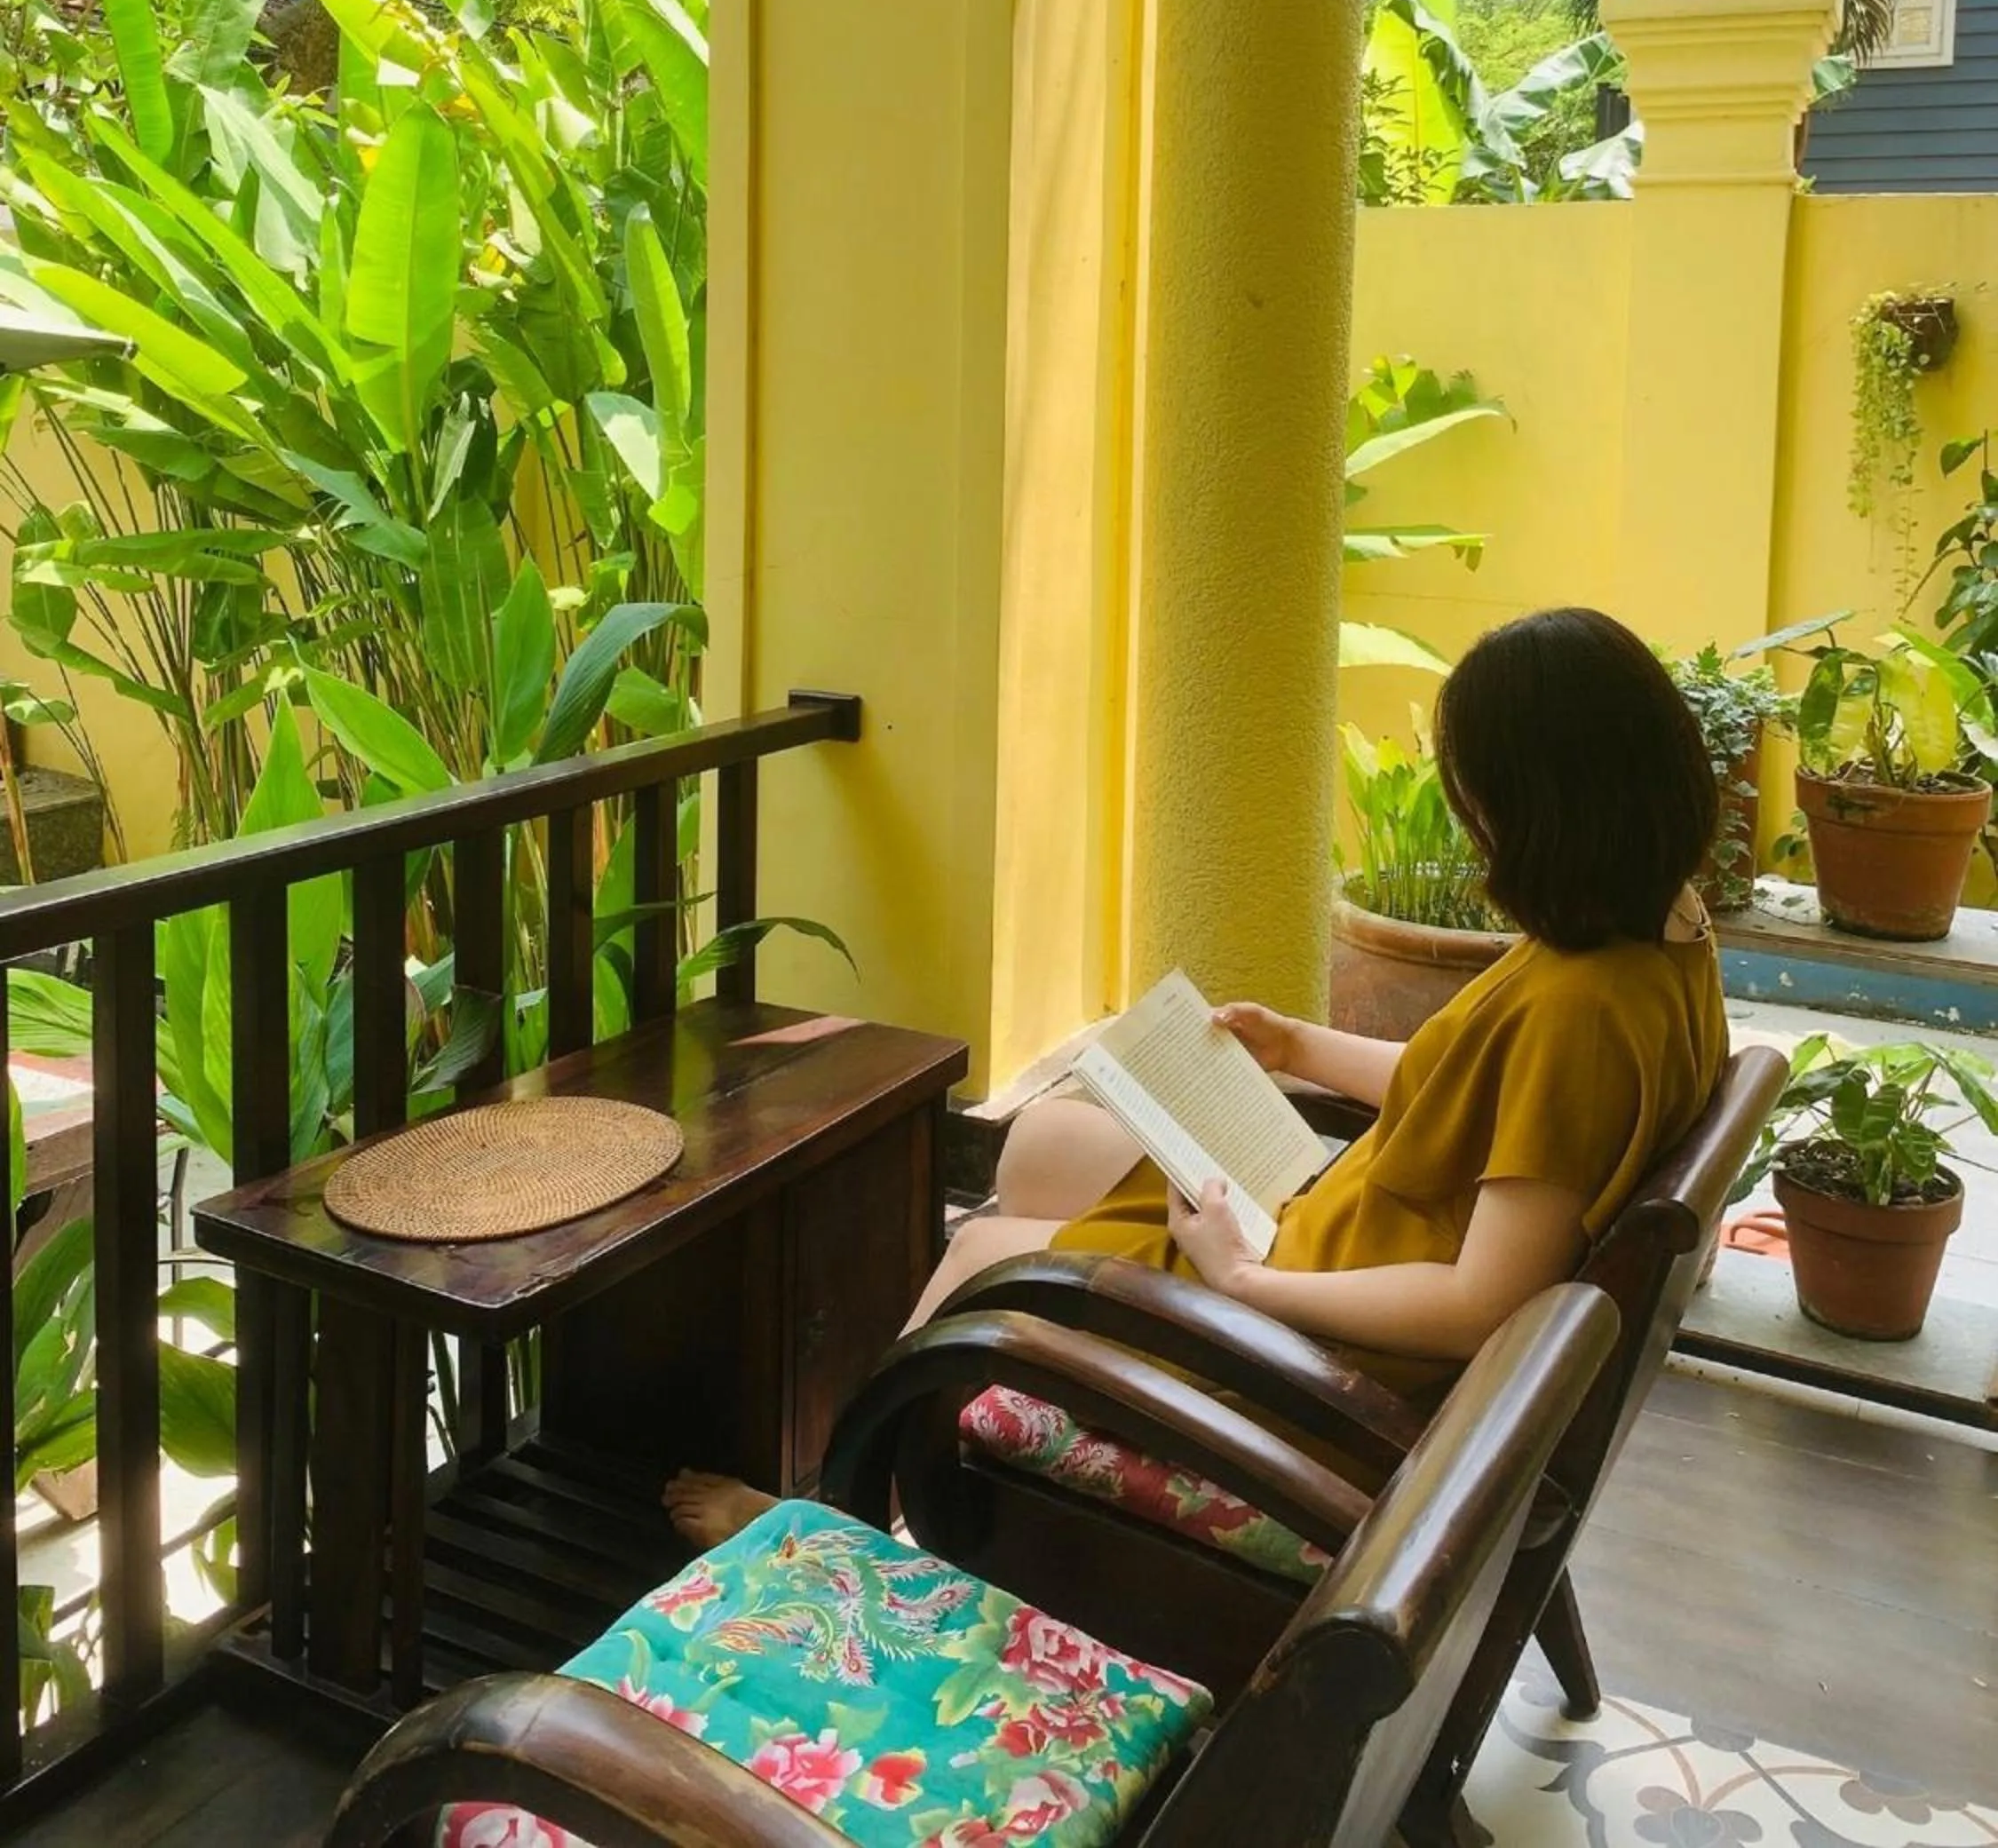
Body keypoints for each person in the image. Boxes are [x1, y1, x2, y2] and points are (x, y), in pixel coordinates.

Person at [666, 606, 1728, 1550]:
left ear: (1544, 811)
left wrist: (1242, 1281)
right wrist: (1299, 1047)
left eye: (1479, 799)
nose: (1472, 825)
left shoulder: (1582, 1011)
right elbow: (1498, 1097)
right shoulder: (1657, 934)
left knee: (992, 1252)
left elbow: (1479, 1300)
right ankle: (890, 1500)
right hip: (1346, 1225)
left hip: (1318, 1349)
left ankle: (842, 1528)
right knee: (1039, 1144)